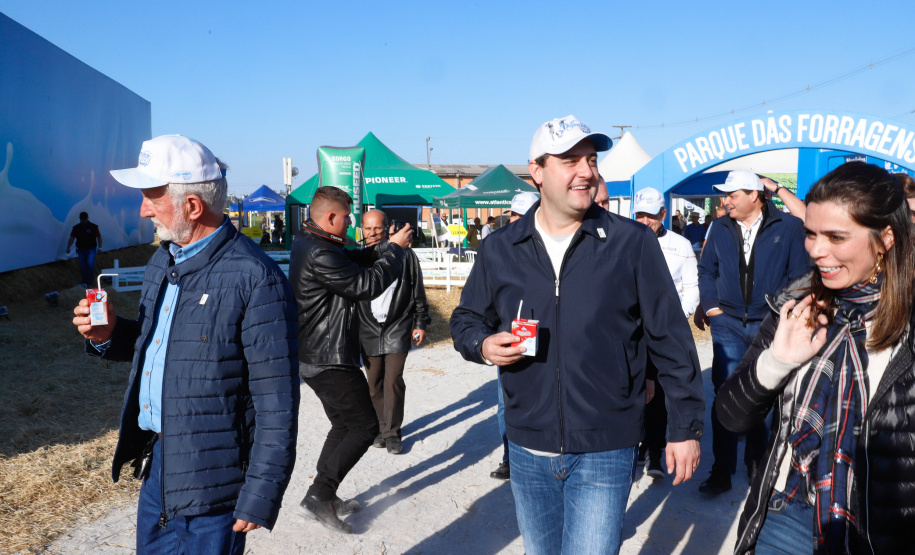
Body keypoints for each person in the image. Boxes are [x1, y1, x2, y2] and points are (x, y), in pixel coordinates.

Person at [451, 115, 704, 554]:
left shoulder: (630, 243)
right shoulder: (500, 247)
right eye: (570, 160)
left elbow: (670, 338)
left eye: (590, 159)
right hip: (528, 444)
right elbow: (465, 319)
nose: (586, 171)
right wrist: (483, 344)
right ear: (537, 171)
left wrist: (683, 428)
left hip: (607, 444)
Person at [71, 135, 299, 554]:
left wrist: (262, 491)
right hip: (159, 469)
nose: (142, 209)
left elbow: (277, 401)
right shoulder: (165, 260)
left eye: (151, 196)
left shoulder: (256, 278)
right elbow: (159, 343)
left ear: (192, 206)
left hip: (215, 485)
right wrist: (109, 335)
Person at [716, 161, 915, 554]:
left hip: (884, 532)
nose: (816, 251)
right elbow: (730, 416)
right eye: (810, 233)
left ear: (886, 237)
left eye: (836, 237)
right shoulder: (798, 302)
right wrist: (776, 363)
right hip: (787, 511)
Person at [290, 186, 413, 533]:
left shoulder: (312, 241)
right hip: (327, 358)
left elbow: (355, 259)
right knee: (365, 426)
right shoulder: (319, 252)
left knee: (344, 425)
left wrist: (385, 247)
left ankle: (321, 493)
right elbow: (365, 285)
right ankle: (320, 497)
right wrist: (396, 254)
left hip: (320, 355)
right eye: (346, 217)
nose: (350, 223)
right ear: (331, 217)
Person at [696, 169, 809, 496]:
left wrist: (782, 316)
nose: (725, 201)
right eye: (725, 195)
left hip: (768, 324)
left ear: (754, 196)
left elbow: (799, 275)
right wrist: (713, 308)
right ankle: (722, 470)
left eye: (732, 195)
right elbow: (707, 270)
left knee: (763, 394)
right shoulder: (719, 227)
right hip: (727, 323)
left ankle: (758, 466)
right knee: (725, 394)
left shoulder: (788, 227)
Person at [631, 187, 700, 479]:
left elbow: (691, 287)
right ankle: (636, 445)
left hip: (664, 331)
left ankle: (656, 451)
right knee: (634, 388)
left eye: (651, 215)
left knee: (658, 392)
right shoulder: (625, 241)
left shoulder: (681, 245)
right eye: (640, 215)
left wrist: (671, 320)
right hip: (633, 330)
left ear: (663, 214)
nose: (645, 221)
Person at [357, 209, 430, 455]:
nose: (373, 233)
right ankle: (380, 427)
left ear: (388, 228)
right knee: (374, 383)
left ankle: (392, 433)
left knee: (393, 381)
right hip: (367, 327)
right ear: (362, 230)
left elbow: (418, 292)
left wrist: (420, 322)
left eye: (378, 228)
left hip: (397, 326)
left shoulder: (407, 256)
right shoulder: (358, 257)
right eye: (368, 228)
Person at [487, 190, 540, 482]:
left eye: (523, 214)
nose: (517, 220)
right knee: (506, 402)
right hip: (510, 336)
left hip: (545, 335)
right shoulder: (498, 249)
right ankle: (510, 458)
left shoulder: (550, 247)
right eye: (514, 214)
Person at [66, 211, 102, 286]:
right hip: (81, 249)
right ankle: (85, 281)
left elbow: (99, 237)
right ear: (80, 219)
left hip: (91, 249)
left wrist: (100, 247)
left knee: (89, 263)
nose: (83, 221)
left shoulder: (93, 227)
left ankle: (90, 280)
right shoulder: (76, 228)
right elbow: (72, 238)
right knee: (82, 265)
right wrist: (68, 247)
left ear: (87, 218)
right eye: (82, 220)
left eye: (84, 219)